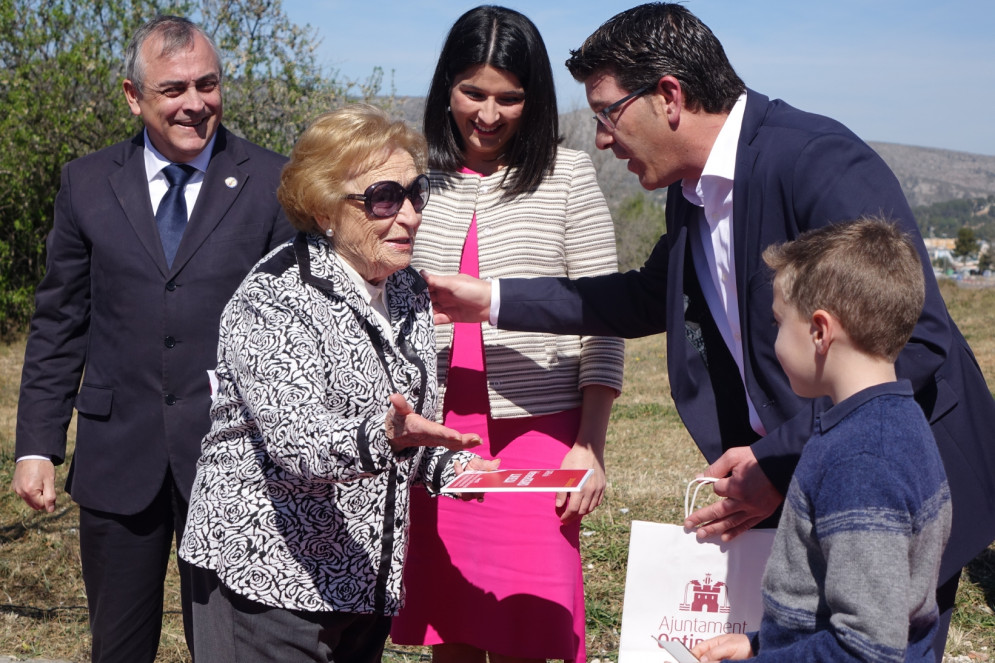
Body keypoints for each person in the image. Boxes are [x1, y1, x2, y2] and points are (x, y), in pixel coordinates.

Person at [422, 3, 995, 657]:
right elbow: (644, 296)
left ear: (668, 96)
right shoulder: (689, 188)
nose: (602, 138)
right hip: (797, 485)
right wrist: (488, 298)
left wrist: (779, 457)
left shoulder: (815, 164)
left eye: (607, 113)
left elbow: (915, 341)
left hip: (881, 501)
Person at [11, 15, 294, 663]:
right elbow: (60, 320)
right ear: (134, 96)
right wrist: (36, 444)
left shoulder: (274, 183)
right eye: (174, 89)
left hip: (236, 466)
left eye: (208, 84)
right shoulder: (86, 182)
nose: (195, 102)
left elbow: (293, 330)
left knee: (235, 650)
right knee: (119, 647)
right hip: (118, 456)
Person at [177, 105, 494, 662]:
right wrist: (390, 436)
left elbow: (405, 430)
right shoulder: (274, 298)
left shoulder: (407, 289)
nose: (411, 216)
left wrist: (456, 468)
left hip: (363, 582)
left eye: (416, 193)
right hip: (268, 578)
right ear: (325, 207)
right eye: (384, 199)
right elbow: (300, 444)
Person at [390, 6, 624, 663]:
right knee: (454, 628)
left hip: (539, 436)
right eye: (472, 93)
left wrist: (590, 445)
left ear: (535, 98)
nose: (488, 114)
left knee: (527, 629)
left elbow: (601, 319)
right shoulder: (412, 181)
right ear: (445, 89)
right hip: (439, 438)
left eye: (509, 98)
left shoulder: (568, 176)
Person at [692, 218, 952, 662]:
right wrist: (760, 646)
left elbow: (865, 648)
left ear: (819, 331)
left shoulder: (862, 461)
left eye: (777, 323)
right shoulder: (896, 423)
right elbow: (853, 606)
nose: (773, 342)